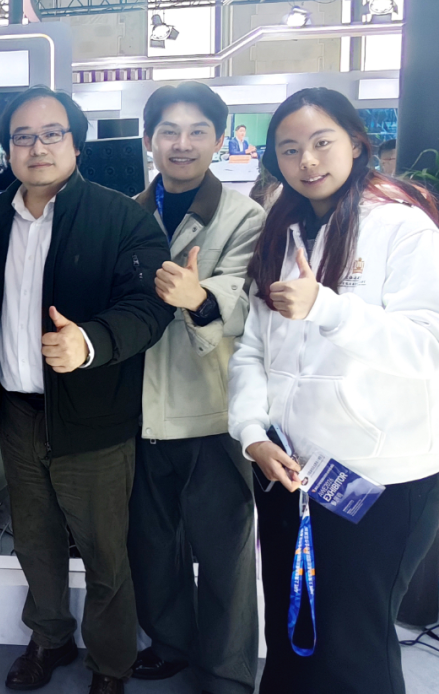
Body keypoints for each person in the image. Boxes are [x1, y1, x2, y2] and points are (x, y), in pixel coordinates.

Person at [229, 87, 439, 694]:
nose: (308, 161)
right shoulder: (283, 230)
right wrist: (252, 434)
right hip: (290, 470)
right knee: (291, 630)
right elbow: (252, 350)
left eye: (322, 142)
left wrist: (328, 307)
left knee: (354, 646)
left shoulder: (401, 226)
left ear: (356, 143)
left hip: (377, 477)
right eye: (289, 149)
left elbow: (427, 345)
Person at [0, 87, 174, 694]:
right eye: (22, 137)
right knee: (34, 544)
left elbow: (149, 308)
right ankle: (50, 638)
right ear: (8, 148)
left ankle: (111, 664)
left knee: (104, 555)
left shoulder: (123, 218)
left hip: (93, 418)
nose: (36, 147)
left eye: (51, 134)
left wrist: (88, 342)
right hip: (19, 414)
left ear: (76, 143)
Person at [128, 83, 265, 694]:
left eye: (197, 131)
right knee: (152, 544)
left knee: (224, 552)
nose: (181, 144)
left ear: (219, 138)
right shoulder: (127, 212)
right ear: (149, 139)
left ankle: (227, 670)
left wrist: (199, 297)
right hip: (137, 412)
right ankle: (169, 644)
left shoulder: (245, 217)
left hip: (210, 409)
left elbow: (244, 300)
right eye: (168, 131)